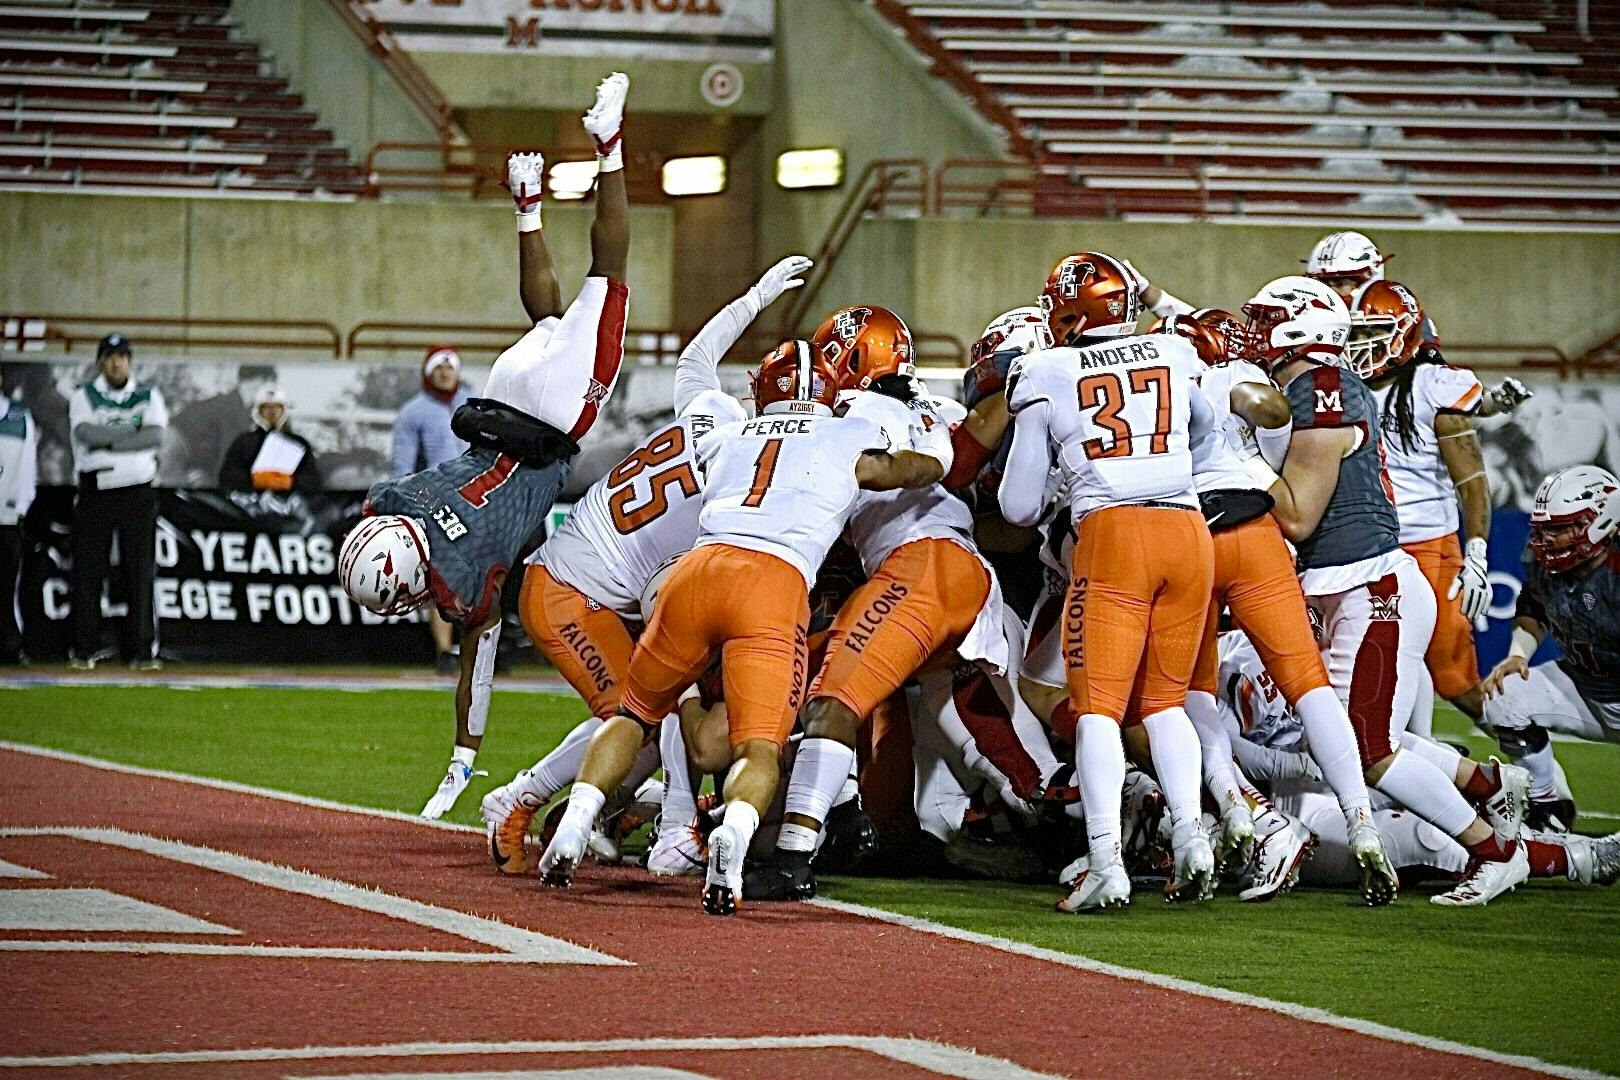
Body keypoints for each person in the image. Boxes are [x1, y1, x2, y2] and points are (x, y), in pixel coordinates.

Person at [535, 339, 943, 915]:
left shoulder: (728, 435)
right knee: (759, 748)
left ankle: (576, 822)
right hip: (771, 585)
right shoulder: (845, 433)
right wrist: (932, 438)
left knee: (632, 713)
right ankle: (735, 836)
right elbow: (911, 469)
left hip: (697, 571)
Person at [338, 72, 633, 821]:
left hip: (549, 418)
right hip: (503, 395)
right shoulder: (392, 502)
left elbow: (479, 666)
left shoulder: (465, 577)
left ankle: (610, 142)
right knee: (546, 322)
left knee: (609, 276)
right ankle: (528, 203)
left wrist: (465, 755)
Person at [477, 254, 810, 874]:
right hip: (575, 590)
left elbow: (695, 362)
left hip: (584, 575)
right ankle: (526, 799)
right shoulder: (750, 474)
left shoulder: (716, 415)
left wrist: (755, 298)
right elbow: (666, 592)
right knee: (640, 717)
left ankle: (634, 811)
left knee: (650, 713)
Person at [1245, 275, 1528, 907]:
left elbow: (1297, 516)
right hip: (1351, 587)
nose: (1253, 332)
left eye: (1265, 320)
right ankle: (1488, 783)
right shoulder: (1309, 386)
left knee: (1367, 751)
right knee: (1361, 740)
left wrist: (1233, 462)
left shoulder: (1323, 387)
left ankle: (1494, 850)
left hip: (1370, 588)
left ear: (1298, 329)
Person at [1000, 251, 1219, 912]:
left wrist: (1071, 475)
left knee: (1097, 708)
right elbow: (1204, 431)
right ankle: (1192, 840)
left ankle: (1105, 863)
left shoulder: (1044, 369)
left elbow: (1015, 506)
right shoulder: (1174, 351)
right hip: (1187, 530)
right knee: (1165, 703)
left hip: (1114, 534)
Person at [1162, 308, 1390, 884]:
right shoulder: (1241, 374)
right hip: (1258, 534)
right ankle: (1361, 816)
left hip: (1193, 535)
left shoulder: (1178, 376)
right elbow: (1274, 414)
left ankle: (1234, 804)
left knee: (1193, 692)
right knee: (1309, 683)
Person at [1350, 281, 1531, 733]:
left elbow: (1471, 482)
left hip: (1427, 545)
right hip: (1364, 548)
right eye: (1355, 333)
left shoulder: (1435, 385)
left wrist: (1475, 554)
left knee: (1451, 674)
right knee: (1368, 672)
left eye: (1372, 331)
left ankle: (1540, 773)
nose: (1360, 343)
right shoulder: (1341, 384)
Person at [1482, 466, 1620, 829]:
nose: (1548, 540)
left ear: (1602, 520)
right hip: (1587, 688)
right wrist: (1517, 655)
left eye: (1561, 528)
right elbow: (1534, 604)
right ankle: (1548, 806)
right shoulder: (1549, 562)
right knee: (1503, 695)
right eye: (1545, 529)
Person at [68, 333, 167, 670]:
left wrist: (110, 442)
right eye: (110, 357)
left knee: (139, 572)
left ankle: (140, 651)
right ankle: (84, 649)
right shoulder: (84, 396)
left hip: (137, 490)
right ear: (101, 362)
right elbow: (87, 434)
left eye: (122, 356)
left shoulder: (148, 395)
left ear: (130, 361)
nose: (117, 363)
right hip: (96, 490)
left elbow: (155, 436)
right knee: (88, 572)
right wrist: (132, 433)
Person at [394, 346, 473, 673]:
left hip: (476, 499)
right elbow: (403, 465)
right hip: (437, 501)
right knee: (440, 576)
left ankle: (475, 650)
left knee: (480, 578)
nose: (444, 373)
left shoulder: (473, 403)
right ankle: (444, 649)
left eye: (449, 367)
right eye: (438, 368)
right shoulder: (414, 412)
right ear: (427, 372)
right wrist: (407, 501)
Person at [0, 369, 37, 664]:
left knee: (7, 588)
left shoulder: (19, 417)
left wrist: (21, 506)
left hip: (7, 518)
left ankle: (10, 648)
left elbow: (28, 468)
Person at [219, 387, 321, 493]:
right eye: (267, 407)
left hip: (289, 505)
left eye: (277, 407)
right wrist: (255, 480)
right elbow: (227, 476)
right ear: (258, 411)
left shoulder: (299, 443)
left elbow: (313, 480)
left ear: (284, 410)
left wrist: (289, 481)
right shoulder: (243, 442)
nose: (272, 412)